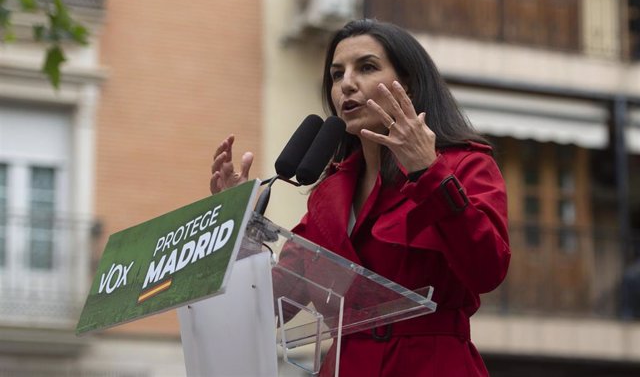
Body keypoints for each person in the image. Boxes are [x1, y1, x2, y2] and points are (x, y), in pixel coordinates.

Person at [210, 19, 510, 377]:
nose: (346, 85)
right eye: (337, 75)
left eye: (366, 67)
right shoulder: (329, 194)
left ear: (409, 84)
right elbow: (268, 308)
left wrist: (428, 173)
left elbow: (488, 269)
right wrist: (237, 226)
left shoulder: (464, 165)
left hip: (431, 364)